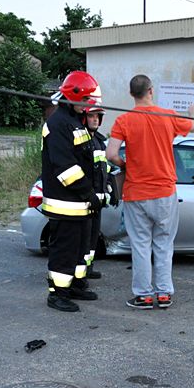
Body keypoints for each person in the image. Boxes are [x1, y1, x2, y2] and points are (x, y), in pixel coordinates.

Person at [106, 74, 194, 309]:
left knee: (140, 245)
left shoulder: (123, 120)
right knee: (164, 244)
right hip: (164, 192)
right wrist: (193, 112)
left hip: (136, 192)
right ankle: (164, 293)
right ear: (151, 91)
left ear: (131, 94)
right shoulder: (168, 116)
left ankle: (144, 296)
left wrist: (125, 165)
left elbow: (111, 154)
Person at [41, 71, 102, 313]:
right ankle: (57, 294)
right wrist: (88, 193)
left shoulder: (75, 121)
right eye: (86, 100)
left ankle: (75, 285)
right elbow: (65, 167)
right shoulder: (58, 124)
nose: (89, 105)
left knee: (79, 249)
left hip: (79, 203)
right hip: (65, 203)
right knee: (64, 251)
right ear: (73, 97)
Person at [82, 96, 118, 281]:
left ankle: (88, 268)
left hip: (98, 201)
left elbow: (105, 169)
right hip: (85, 201)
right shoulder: (82, 141)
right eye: (91, 116)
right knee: (83, 238)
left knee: (93, 237)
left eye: (98, 117)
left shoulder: (99, 141)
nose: (95, 120)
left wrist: (112, 187)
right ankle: (80, 273)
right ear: (84, 118)